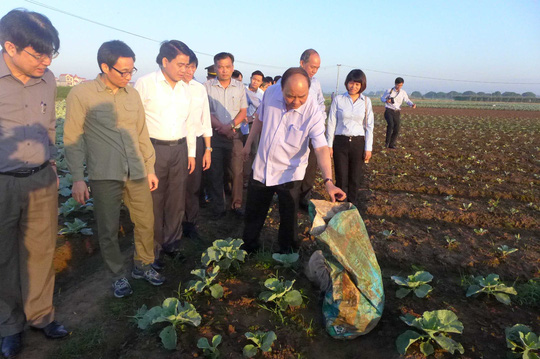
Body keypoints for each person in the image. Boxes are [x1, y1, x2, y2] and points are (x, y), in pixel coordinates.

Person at [64, 40, 164, 300]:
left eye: (132, 71)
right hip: (105, 173)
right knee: (107, 229)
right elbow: (73, 138)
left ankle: (143, 265)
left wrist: (150, 167)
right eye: (124, 72)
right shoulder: (82, 94)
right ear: (105, 67)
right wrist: (77, 178)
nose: (129, 77)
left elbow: (142, 133)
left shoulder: (133, 94)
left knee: (145, 221)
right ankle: (117, 275)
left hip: (137, 170)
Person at [0, 9, 67, 357]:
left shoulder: (49, 78)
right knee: (4, 257)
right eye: (38, 53)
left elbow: (48, 125)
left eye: (50, 52)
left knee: (41, 252)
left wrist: (52, 163)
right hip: (2, 183)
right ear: (10, 47)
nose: (46, 60)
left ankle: (41, 315)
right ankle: (9, 326)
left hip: (41, 178)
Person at [241, 67, 346, 253]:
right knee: (254, 212)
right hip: (263, 165)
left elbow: (321, 146)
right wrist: (248, 143)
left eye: (302, 96)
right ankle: (248, 248)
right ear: (281, 88)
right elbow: (260, 119)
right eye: (290, 96)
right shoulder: (270, 94)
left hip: (290, 171)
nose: (296, 102)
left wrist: (328, 182)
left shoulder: (313, 109)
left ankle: (288, 254)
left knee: (289, 216)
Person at [134, 40, 196, 271]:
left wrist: (191, 153)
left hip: (179, 149)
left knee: (176, 199)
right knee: (154, 201)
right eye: (180, 64)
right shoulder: (146, 84)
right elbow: (136, 123)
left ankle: (172, 242)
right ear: (165, 61)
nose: (184, 69)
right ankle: (153, 249)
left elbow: (189, 123)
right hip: (154, 149)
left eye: (187, 65)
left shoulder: (185, 89)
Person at [204, 52, 247, 217]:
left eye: (227, 67)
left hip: (234, 134)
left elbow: (243, 112)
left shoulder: (239, 86)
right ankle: (218, 207)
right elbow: (205, 111)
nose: (224, 70)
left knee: (237, 171)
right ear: (215, 68)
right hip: (214, 135)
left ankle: (236, 205)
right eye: (220, 67)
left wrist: (229, 126)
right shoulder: (206, 87)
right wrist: (221, 127)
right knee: (215, 172)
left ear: (232, 67)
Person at [326, 69, 374, 207]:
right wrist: (329, 145)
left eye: (357, 84)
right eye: (351, 83)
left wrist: (368, 148)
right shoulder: (338, 100)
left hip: (358, 143)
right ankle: (339, 207)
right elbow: (331, 123)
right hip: (340, 142)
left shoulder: (366, 102)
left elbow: (369, 126)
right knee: (341, 177)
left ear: (362, 85)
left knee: (355, 178)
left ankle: (352, 208)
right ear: (347, 83)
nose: (353, 87)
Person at [183, 51, 212, 239]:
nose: (189, 71)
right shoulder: (171, 88)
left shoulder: (199, 89)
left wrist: (208, 149)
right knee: (176, 186)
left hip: (197, 141)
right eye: (186, 66)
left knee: (194, 185)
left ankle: (190, 223)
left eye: (193, 67)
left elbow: (206, 120)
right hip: (176, 143)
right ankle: (173, 222)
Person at [297, 49, 326, 209]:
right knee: (294, 164)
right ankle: (291, 196)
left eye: (317, 68)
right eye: (312, 66)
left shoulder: (316, 83)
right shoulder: (291, 80)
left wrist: (320, 120)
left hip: (312, 131)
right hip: (296, 131)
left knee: (311, 165)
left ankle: (304, 197)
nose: (314, 71)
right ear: (302, 63)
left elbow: (321, 103)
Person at [241, 70, 265, 181]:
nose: (255, 82)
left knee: (253, 151)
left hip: (254, 124)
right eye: (254, 79)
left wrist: (253, 118)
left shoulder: (262, 95)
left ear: (261, 82)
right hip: (240, 124)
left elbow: (263, 112)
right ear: (250, 78)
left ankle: (248, 176)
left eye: (258, 81)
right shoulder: (242, 90)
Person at [380, 77, 416, 149]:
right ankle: (387, 143)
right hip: (389, 110)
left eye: (401, 85)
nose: (399, 87)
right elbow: (382, 98)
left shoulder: (403, 92)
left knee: (397, 128)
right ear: (395, 84)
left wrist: (412, 104)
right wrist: (386, 100)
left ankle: (391, 144)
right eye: (398, 85)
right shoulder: (389, 91)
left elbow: (407, 100)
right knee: (391, 124)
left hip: (397, 111)